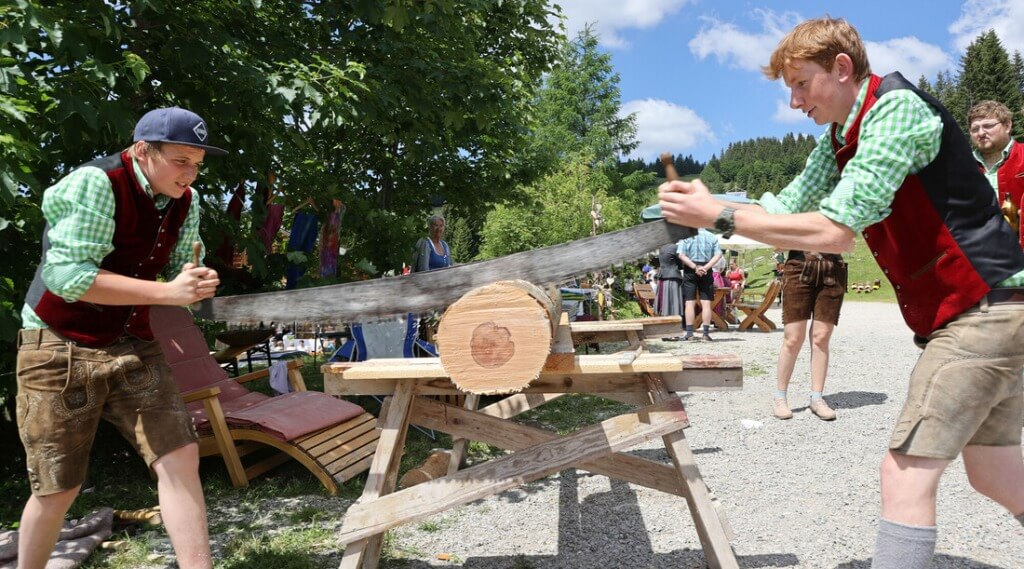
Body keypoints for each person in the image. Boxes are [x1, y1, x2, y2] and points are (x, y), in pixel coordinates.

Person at [657, 17, 1024, 569]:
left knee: (904, 472)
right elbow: (782, 208)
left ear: (842, 68)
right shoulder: (839, 140)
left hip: (983, 309)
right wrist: (712, 215)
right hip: (991, 309)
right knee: (994, 471)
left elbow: (836, 229)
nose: (794, 103)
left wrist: (721, 213)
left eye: (801, 84)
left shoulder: (895, 111)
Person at [15, 107, 225, 569]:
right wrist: (168, 292)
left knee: (180, 457)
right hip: (58, 342)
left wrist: (194, 280)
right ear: (143, 150)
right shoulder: (94, 183)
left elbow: (174, 278)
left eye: (197, 164)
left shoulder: (186, 201)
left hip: (131, 339)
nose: (190, 174)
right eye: (180, 161)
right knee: (58, 486)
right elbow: (69, 277)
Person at [773, 250, 846, 421]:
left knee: (821, 338)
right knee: (793, 338)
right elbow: (777, 243)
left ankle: (817, 398)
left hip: (832, 267)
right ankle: (780, 397)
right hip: (799, 266)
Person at [968, 100, 1024, 248]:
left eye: (988, 126)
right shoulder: (963, 166)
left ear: (1007, 126)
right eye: (975, 129)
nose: (981, 133)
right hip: (981, 253)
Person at [677, 228, 723, 341]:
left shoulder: (685, 235)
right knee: (706, 303)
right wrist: (706, 267)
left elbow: (681, 255)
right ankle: (705, 334)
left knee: (689, 302)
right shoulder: (712, 236)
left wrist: (695, 267)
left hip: (690, 269)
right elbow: (718, 255)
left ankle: (689, 334)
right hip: (707, 270)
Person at [653, 241, 684, 340]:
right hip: (672, 278)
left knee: (665, 305)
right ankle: (673, 333)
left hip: (662, 278)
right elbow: (681, 264)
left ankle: (665, 332)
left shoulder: (662, 247)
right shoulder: (675, 247)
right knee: (674, 305)